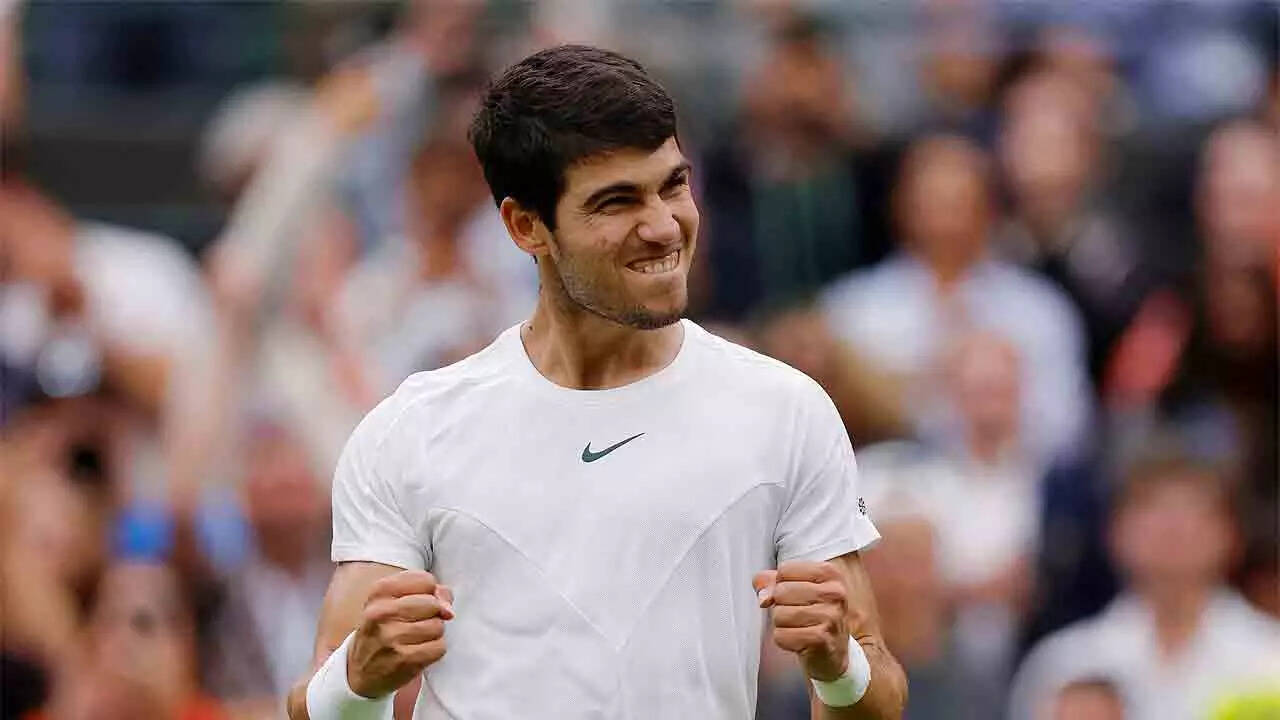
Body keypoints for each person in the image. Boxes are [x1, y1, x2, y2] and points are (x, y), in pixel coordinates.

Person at [287, 45, 906, 720]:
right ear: (526, 227)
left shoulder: (787, 411)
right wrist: (359, 680)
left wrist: (839, 666)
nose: (664, 226)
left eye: (673, 185)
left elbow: (875, 696)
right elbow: (317, 702)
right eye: (617, 202)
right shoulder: (411, 429)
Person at [821, 134, 1091, 467]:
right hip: (887, 486)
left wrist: (992, 409)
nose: (946, 222)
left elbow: (1067, 428)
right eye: (932, 204)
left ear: (990, 210)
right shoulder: (853, 311)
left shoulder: (1038, 310)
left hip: (1014, 483)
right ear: (900, 209)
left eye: (961, 203)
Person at [1008, 451, 1280, 720]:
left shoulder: (1270, 655)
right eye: (1155, 511)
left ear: (1232, 536)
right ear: (1115, 532)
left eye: (1195, 512)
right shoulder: (1065, 664)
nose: (1174, 529)